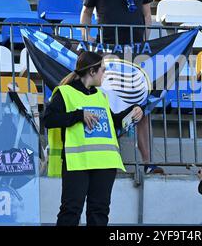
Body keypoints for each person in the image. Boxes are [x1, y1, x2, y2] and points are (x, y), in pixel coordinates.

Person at [81, 0, 163, 174]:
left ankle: (148, 163)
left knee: (142, 106)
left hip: (136, 53)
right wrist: (87, 40)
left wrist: (144, 42)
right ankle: (108, 161)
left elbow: (147, 14)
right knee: (108, 105)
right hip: (109, 53)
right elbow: (86, 13)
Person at [43, 51, 144, 226]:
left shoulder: (101, 95)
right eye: (102, 70)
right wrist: (78, 115)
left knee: (100, 211)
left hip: (105, 162)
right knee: (71, 210)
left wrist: (133, 111)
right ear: (92, 72)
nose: (104, 74)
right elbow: (49, 120)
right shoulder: (65, 93)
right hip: (78, 161)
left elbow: (113, 121)